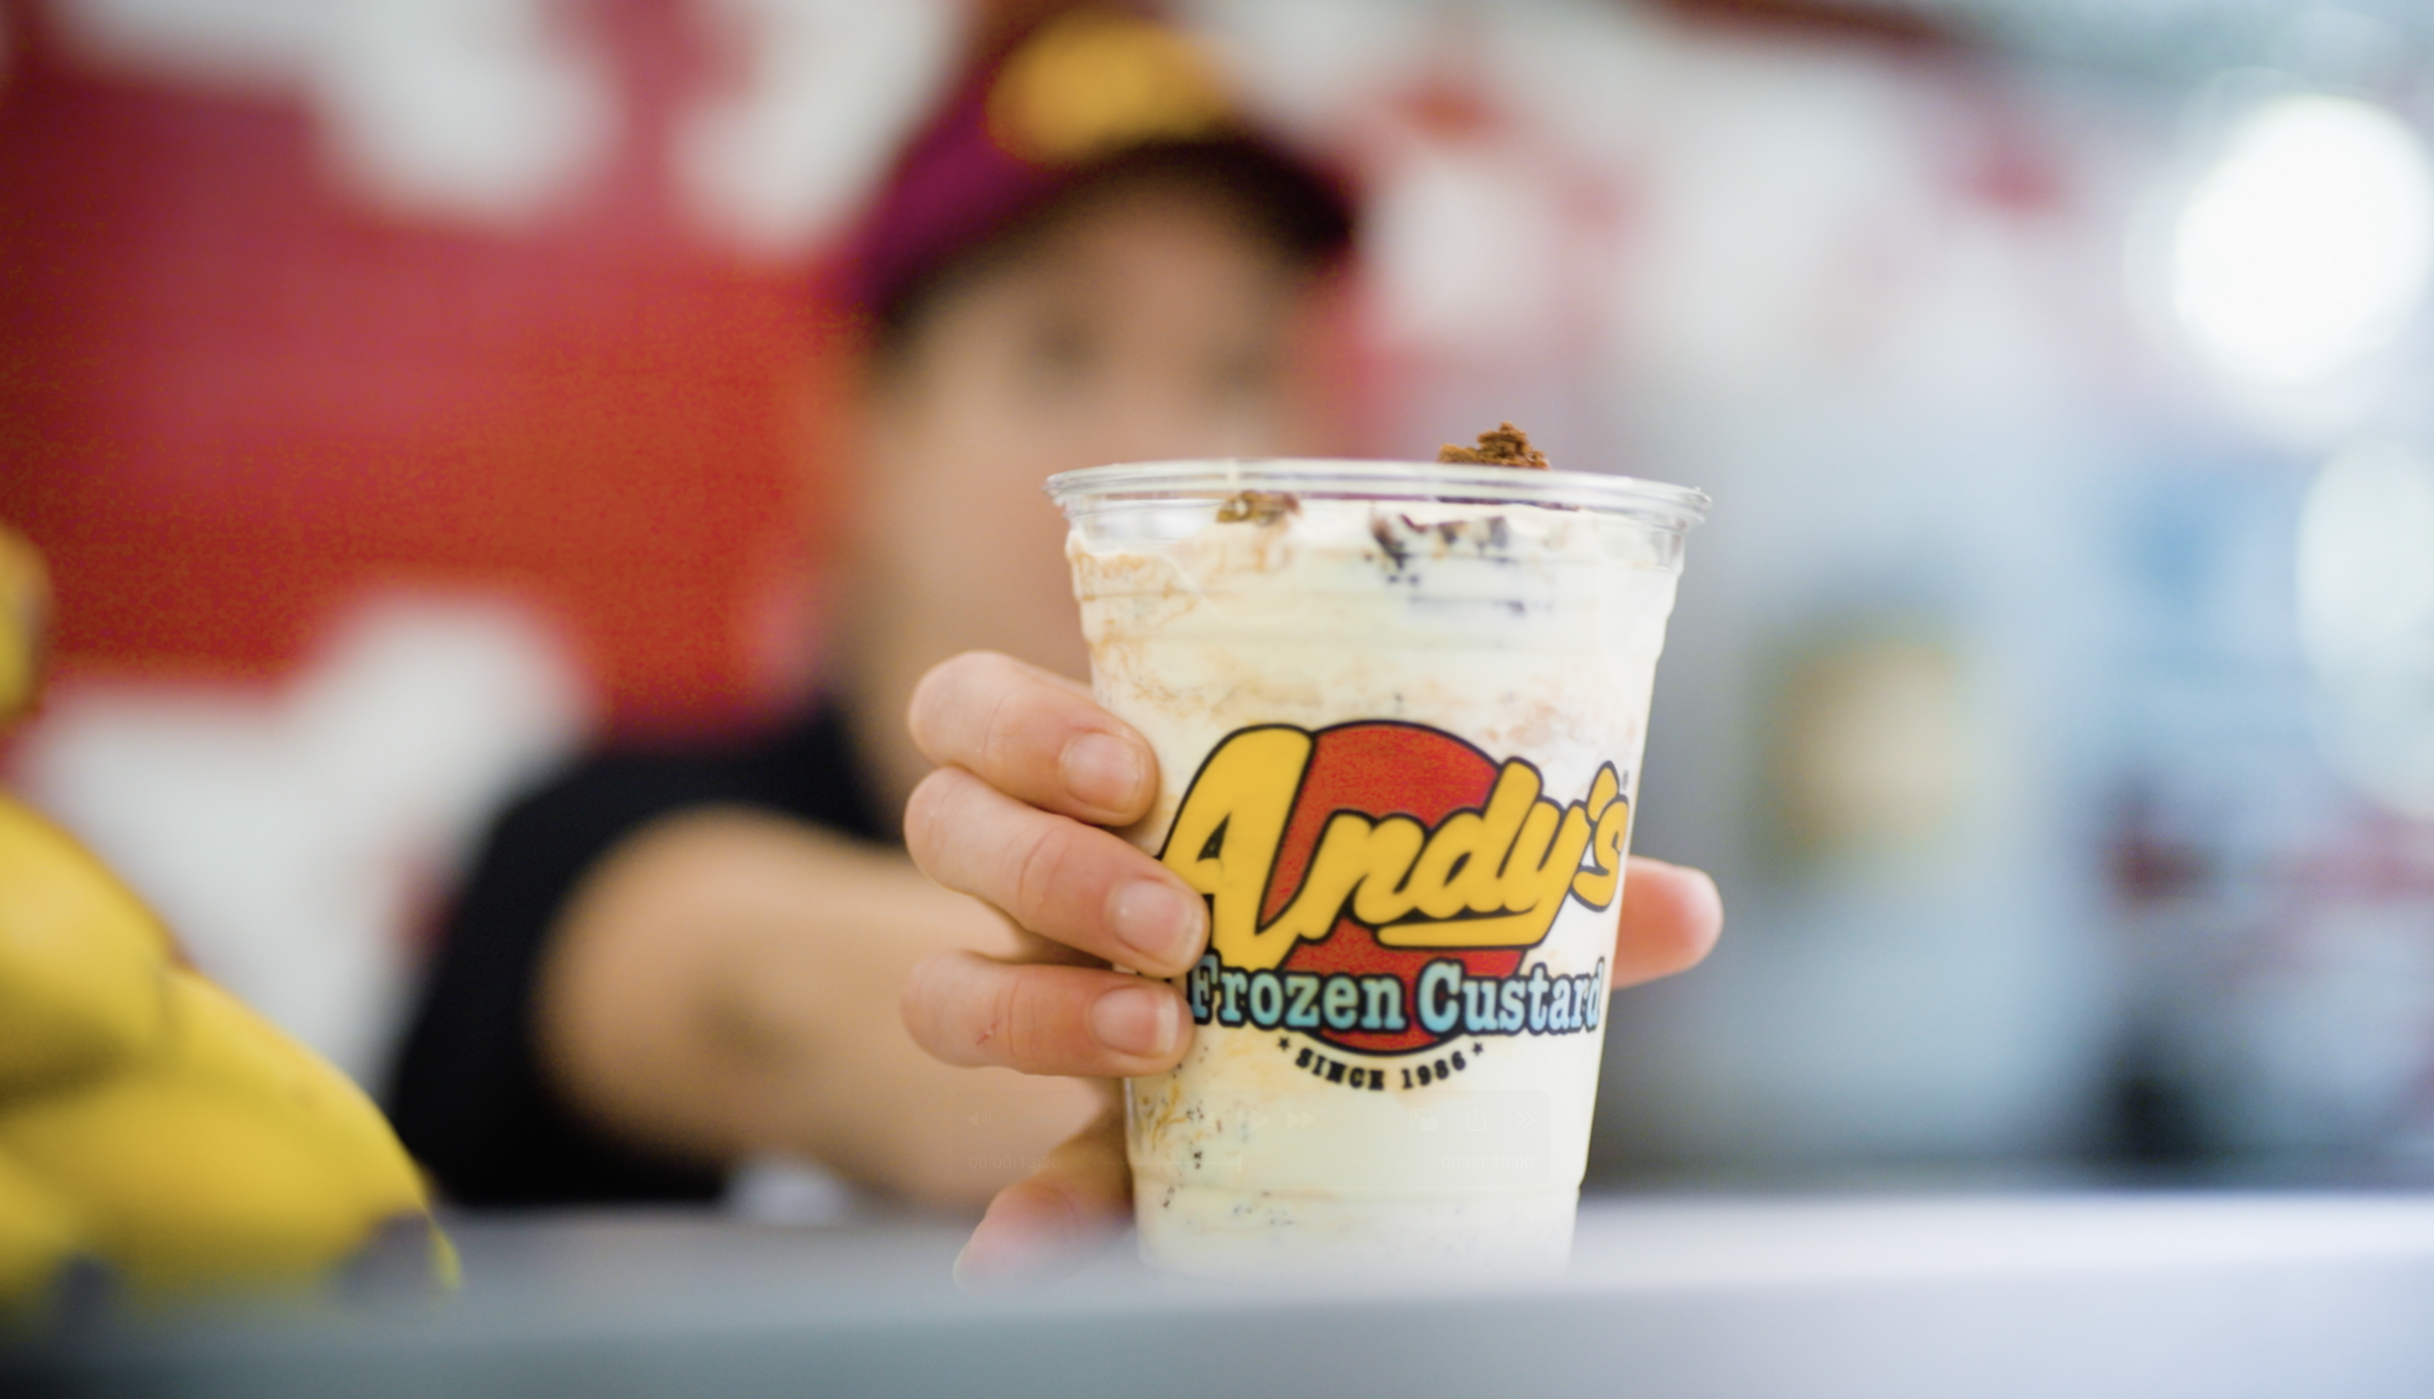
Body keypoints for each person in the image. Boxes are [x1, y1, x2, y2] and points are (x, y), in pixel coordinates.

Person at [387, 4, 1722, 1284]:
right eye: (1058, 349)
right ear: (863, 423)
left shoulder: (1465, 898)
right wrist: (1155, 1035)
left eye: (1236, 363)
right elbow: (758, 996)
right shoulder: (582, 836)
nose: (1160, 440)